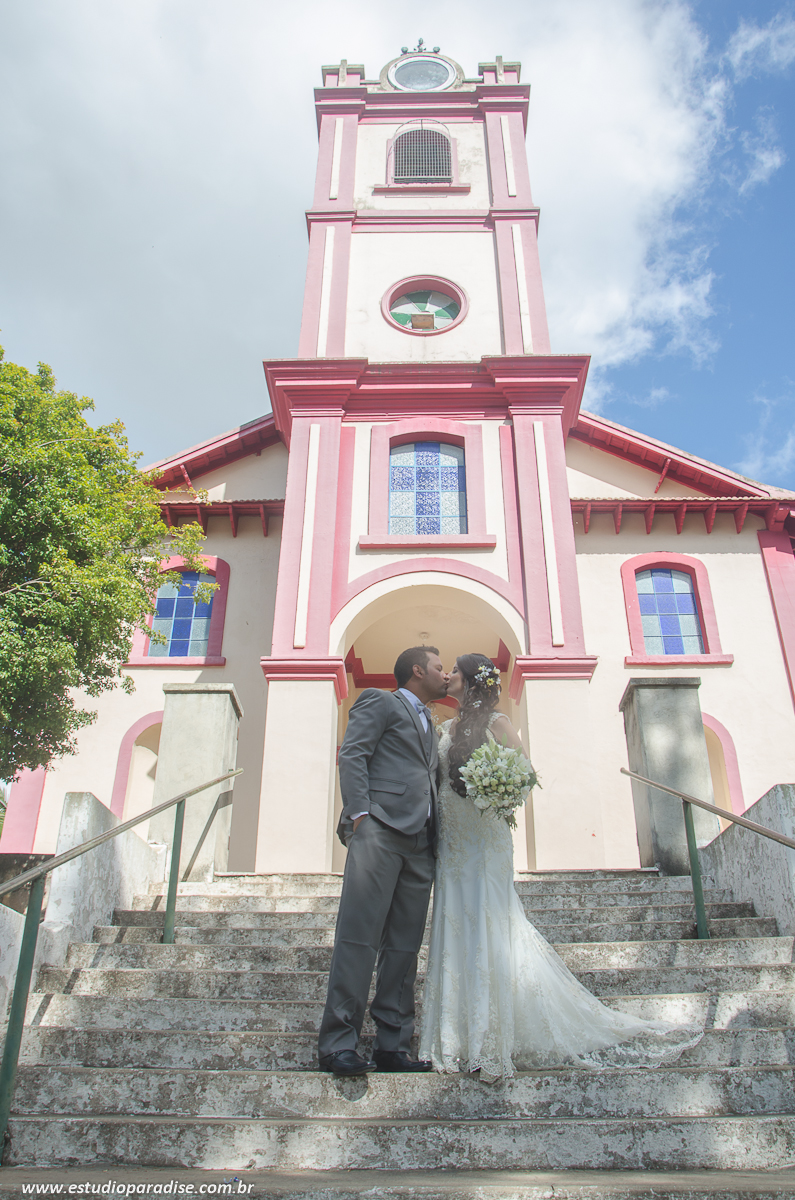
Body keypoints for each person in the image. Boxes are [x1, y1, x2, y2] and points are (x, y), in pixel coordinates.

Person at [419, 652, 703, 1083]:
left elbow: (523, 774)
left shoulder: (497, 722)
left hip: (486, 840)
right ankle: (455, 1039)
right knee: (456, 923)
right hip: (454, 846)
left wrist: (495, 786)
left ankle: (488, 1040)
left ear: (472, 681)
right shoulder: (444, 730)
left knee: (491, 929)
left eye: (455, 670)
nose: (450, 676)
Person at [318, 645, 448, 1076]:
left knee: (404, 947)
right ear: (416, 670)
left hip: (421, 843)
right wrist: (359, 815)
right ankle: (339, 1043)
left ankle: (393, 1045)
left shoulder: (432, 720)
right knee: (359, 937)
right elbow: (353, 752)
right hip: (379, 830)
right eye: (438, 667)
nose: (444, 675)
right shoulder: (381, 700)